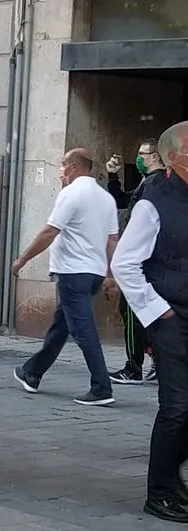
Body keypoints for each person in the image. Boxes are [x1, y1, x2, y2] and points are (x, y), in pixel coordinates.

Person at [111, 121, 188, 523]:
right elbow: (124, 263)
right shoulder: (153, 201)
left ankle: (173, 481)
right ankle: (159, 492)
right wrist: (159, 311)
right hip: (171, 316)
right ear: (175, 157)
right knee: (177, 407)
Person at [11, 148, 119, 406]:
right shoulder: (106, 199)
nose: (60, 171)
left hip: (73, 272)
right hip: (93, 272)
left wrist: (22, 260)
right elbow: (113, 239)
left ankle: (101, 388)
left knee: (83, 329)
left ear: (73, 167)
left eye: (62, 166)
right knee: (61, 326)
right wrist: (109, 273)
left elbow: (49, 232)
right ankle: (32, 373)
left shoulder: (70, 194)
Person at [105, 140, 167, 385]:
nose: (138, 157)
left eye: (143, 154)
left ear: (155, 156)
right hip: (144, 257)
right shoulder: (147, 181)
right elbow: (121, 200)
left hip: (142, 259)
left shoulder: (156, 183)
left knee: (132, 311)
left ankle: (133, 368)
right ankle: (156, 360)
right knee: (140, 312)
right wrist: (112, 176)